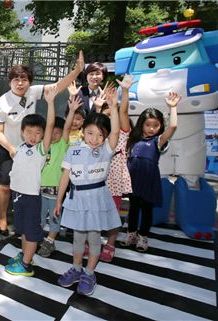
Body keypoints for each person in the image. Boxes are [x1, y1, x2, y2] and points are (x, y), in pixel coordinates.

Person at [0, 51, 84, 236]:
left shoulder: (34, 92)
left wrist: (76, 71)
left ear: (30, 82)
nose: (20, 83)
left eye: (24, 79)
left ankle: (33, 218)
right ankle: (2, 218)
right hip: (11, 148)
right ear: (9, 81)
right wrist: (11, 149)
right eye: (16, 79)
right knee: (5, 184)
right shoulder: (1, 103)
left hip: (35, 148)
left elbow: (58, 86)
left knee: (34, 184)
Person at [54, 86, 121, 296]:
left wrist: (114, 106)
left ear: (106, 137)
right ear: (83, 131)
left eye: (100, 135)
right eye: (90, 133)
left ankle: (89, 273)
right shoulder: (73, 149)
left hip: (97, 199)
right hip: (76, 199)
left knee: (94, 239)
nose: (94, 138)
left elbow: (117, 131)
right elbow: (65, 176)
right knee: (77, 238)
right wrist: (58, 201)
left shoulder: (105, 150)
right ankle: (75, 269)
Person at [4, 85, 58, 277]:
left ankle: (26, 265)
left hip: (31, 197)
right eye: (29, 132)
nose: (33, 136)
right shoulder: (19, 147)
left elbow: (50, 125)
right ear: (22, 132)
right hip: (17, 194)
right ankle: (26, 255)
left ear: (43, 135)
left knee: (32, 231)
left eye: (38, 133)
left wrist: (50, 102)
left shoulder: (40, 150)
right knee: (24, 230)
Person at [121, 93, 181, 252]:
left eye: (156, 125)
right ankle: (131, 234)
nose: (152, 128)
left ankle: (143, 237)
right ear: (142, 124)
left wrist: (173, 107)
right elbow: (123, 114)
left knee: (146, 210)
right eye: (148, 125)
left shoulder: (158, 141)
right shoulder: (133, 138)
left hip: (149, 180)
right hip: (133, 179)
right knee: (133, 208)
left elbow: (173, 126)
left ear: (160, 126)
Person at [37, 94, 83, 257]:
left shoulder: (63, 144)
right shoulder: (43, 145)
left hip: (56, 190)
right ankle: (38, 239)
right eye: (52, 132)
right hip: (39, 189)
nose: (54, 135)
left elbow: (67, 126)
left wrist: (71, 111)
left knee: (55, 217)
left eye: (58, 132)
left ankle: (49, 242)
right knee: (40, 217)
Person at [100, 75, 134, 262]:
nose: (109, 115)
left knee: (113, 212)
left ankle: (110, 243)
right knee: (95, 211)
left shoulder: (122, 132)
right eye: (106, 114)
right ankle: (94, 241)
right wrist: (102, 105)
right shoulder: (97, 134)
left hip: (115, 177)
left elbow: (123, 113)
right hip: (97, 178)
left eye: (111, 112)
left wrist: (124, 93)